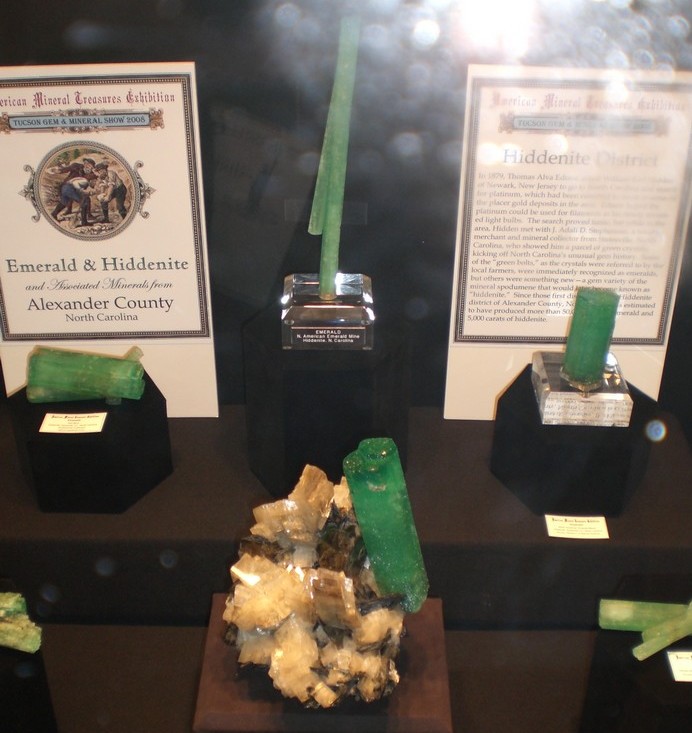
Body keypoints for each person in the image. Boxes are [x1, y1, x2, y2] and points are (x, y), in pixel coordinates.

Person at [50, 157, 97, 225]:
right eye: (85, 163)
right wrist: (58, 171)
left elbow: (94, 180)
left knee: (64, 202)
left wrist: (95, 173)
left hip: (68, 189)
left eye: (89, 165)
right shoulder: (76, 166)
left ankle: (53, 214)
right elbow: (66, 169)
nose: (87, 165)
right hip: (69, 187)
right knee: (85, 201)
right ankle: (84, 222)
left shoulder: (91, 173)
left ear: (92, 167)